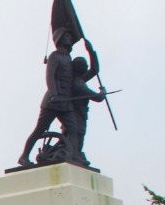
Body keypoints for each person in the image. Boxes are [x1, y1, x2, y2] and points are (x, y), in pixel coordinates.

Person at [17, 29, 104, 167]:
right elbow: (50, 77)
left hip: (66, 103)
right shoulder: (54, 56)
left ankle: (75, 154)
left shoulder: (69, 60)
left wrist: (90, 51)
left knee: (73, 129)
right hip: (53, 102)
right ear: (60, 39)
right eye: (67, 36)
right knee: (40, 129)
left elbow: (93, 71)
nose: (70, 39)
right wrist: (54, 95)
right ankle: (24, 156)